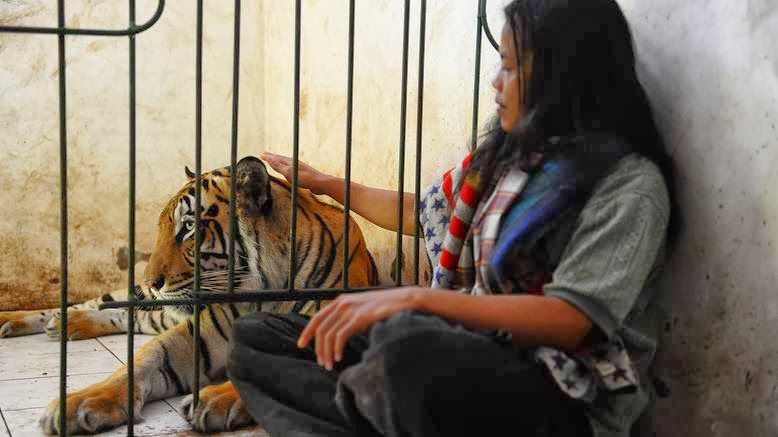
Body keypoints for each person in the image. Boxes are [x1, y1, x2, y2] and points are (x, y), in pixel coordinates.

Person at [228, 0, 676, 435]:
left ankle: (372, 405)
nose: (496, 82)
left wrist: (418, 300)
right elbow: (419, 213)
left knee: (405, 350)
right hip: (465, 351)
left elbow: (571, 319)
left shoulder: (630, 185)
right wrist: (325, 184)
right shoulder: (508, 159)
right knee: (257, 340)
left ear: (561, 76)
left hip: (562, 392)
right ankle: (375, 410)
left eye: (510, 67)